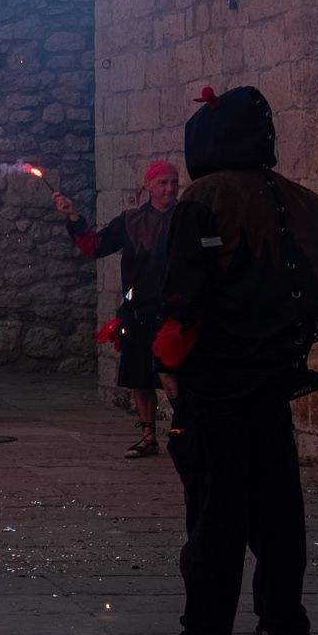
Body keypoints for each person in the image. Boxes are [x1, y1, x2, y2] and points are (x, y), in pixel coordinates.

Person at [137, 86, 318, 635]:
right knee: (279, 505)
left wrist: (167, 365)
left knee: (216, 510)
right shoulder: (304, 203)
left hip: (216, 384)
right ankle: (286, 623)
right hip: (275, 380)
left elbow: (186, 298)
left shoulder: (206, 198)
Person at [55, 159, 180, 457]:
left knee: (175, 377)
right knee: (140, 378)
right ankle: (148, 437)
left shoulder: (187, 218)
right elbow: (94, 246)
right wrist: (73, 216)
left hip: (176, 312)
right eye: (162, 183)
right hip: (139, 312)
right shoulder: (131, 221)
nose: (170, 188)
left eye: (174, 182)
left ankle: (185, 434)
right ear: (148, 186)